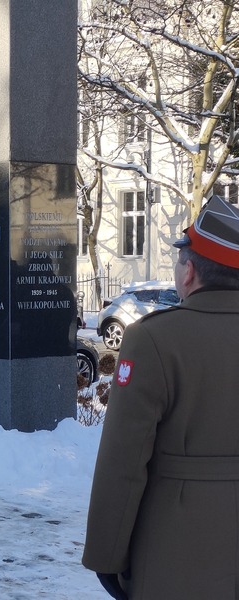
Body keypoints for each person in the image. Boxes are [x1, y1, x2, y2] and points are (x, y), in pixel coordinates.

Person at [83, 195, 239, 599]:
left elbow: (124, 461)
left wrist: (106, 558)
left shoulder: (153, 339)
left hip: (177, 550)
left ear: (189, 273)